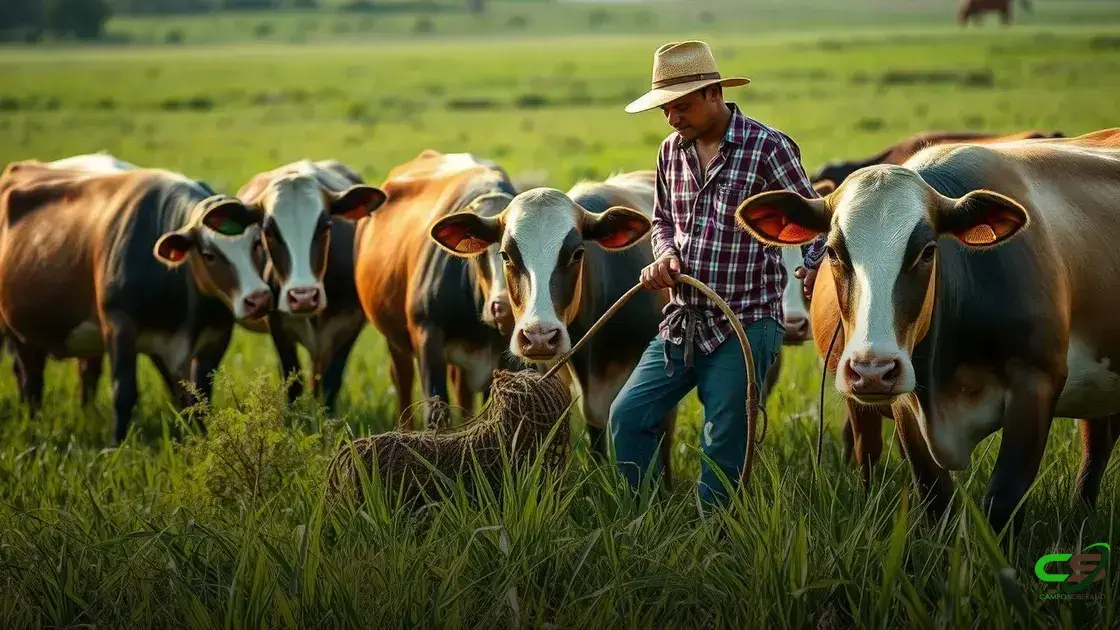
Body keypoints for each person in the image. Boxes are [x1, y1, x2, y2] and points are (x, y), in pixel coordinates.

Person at [610, 40, 826, 505]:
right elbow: (663, 221)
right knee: (628, 416)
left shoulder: (767, 146)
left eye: (681, 106)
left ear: (714, 93)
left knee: (725, 439)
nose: (672, 119)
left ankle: (718, 539)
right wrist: (665, 255)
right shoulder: (671, 151)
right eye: (666, 109)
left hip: (745, 322)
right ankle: (640, 521)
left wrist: (815, 269)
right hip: (684, 317)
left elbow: (811, 221)